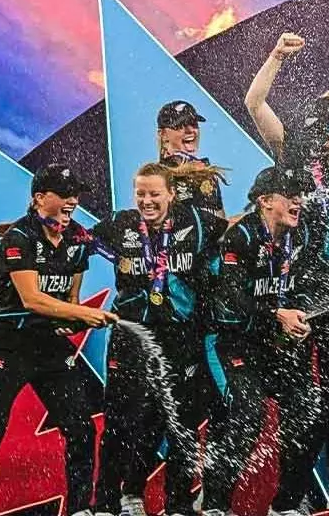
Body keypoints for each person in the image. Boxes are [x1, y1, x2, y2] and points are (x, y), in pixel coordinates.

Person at [0, 164, 118, 516]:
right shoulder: (19, 237)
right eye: (64, 194)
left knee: (81, 428)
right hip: (9, 343)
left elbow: (70, 301)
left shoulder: (78, 241)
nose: (73, 201)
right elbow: (32, 299)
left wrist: (73, 322)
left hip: (49, 345)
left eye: (76, 194)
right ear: (40, 198)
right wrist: (83, 314)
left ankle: (80, 509)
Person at [245, 32, 329, 516]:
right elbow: (254, 104)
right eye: (326, 109)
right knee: (299, 403)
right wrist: (275, 56)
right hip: (297, 297)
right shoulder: (294, 153)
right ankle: (289, 498)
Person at [90, 163, 227, 516]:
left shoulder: (195, 222)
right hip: (131, 336)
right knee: (119, 421)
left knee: (181, 423)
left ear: (171, 194)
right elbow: (78, 240)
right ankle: (106, 504)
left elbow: (233, 228)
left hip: (179, 336)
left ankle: (178, 506)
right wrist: (26, 228)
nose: (147, 201)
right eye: (141, 194)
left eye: (154, 194)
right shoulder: (120, 224)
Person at [202, 163, 329, 516]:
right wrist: (277, 314)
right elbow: (232, 294)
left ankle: (285, 506)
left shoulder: (301, 235)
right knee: (248, 414)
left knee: (312, 415)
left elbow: (310, 284)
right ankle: (215, 505)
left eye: (300, 195)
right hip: (236, 342)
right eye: (289, 196)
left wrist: (304, 315)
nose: (298, 202)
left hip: (279, 345)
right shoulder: (242, 236)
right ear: (265, 201)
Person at [157, 100, 228, 219]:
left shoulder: (206, 172)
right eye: (180, 126)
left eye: (194, 124)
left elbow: (220, 222)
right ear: (163, 134)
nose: (190, 130)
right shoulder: (157, 176)